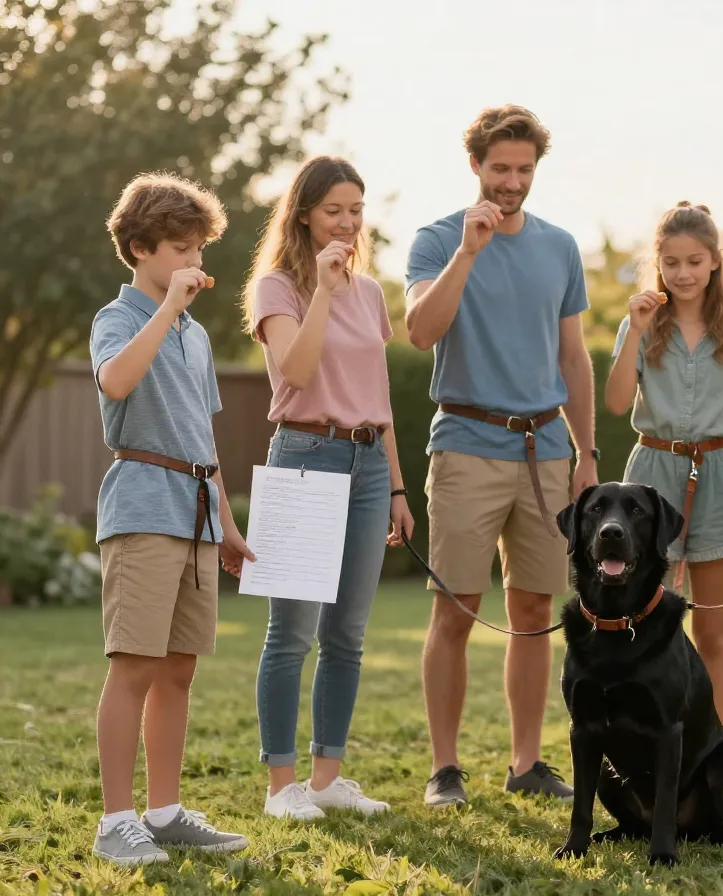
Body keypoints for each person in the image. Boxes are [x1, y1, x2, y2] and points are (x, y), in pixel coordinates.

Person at [405, 105, 598, 807]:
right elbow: (422, 331)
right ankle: (445, 769)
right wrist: (468, 252)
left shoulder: (561, 247)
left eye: (524, 170)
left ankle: (525, 762)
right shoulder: (435, 240)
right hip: (466, 445)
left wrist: (586, 452)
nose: (513, 182)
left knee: (536, 610)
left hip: (546, 451)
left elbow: (573, 356)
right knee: (455, 610)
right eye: (500, 169)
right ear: (476, 167)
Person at [243, 156, 414, 820]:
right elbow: (297, 367)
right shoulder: (275, 287)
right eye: (333, 210)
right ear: (305, 214)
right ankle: (281, 786)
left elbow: (381, 398)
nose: (346, 222)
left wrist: (399, 487)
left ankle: (326, 779)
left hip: (370, 464)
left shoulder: (371, 294)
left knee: (348, 633)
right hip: (304, 456)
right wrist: (322, 290)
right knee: (292, 633)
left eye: (355, 210)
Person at [90, 173, 253, 865]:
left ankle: (163, 812)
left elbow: (201, 435)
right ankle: (115, 821)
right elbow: (117, 382)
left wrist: (228, 519)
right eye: (183, 249)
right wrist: (167, 311)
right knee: (135, 665)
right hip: (142, 506)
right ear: (139, 248)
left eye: (200, 250)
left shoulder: (197, 334)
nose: (196, 263)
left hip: (196, 513)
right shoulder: (119, 319)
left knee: (179, 668)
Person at [604, 201, 723, 725]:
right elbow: (614, 401)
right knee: (642, 619)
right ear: (658, 264)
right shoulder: (644, 326)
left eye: (694, 261)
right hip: (651, 476)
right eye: (671, 263)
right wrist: (632, 329)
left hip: (718, 478)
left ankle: (709, 743)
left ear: (715, 262)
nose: (683, 274)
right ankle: (641, 732)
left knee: (712, 629)